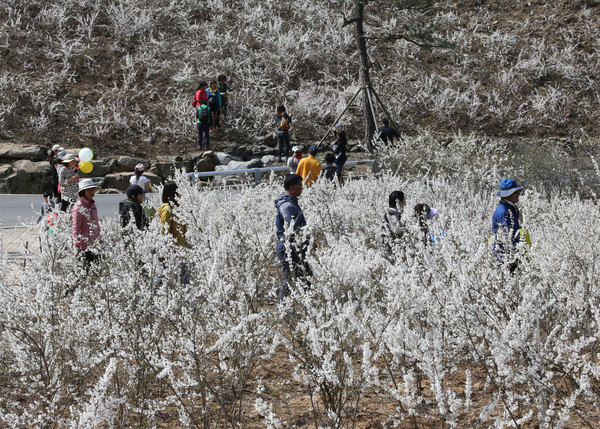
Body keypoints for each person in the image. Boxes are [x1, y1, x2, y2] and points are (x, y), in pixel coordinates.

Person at [274, 174, 312, 300]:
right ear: (291, 187)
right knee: (290, 277)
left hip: (294, 246)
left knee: (304, 274)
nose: (302, 189)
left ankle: (309, 301)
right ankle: (283, 303)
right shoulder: (288, 206)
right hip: (289, 247)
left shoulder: (290, 203)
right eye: (299, 186)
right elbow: (291, 230)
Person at [492, 178, 526, 269]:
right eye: (516, 192)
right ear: (508, 194)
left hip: (509, 255)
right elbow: (508, 237)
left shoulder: (509, 208)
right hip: (506, 257)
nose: (518, 194)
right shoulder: (504, 211)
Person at [72, 178, 101, 266]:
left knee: (97, 271)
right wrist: (76, 247)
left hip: (94, 244)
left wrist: (100, 239)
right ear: (83, 192)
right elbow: (76, 228)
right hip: (84, 247)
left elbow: (96, 224)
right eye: (89, 190)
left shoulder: (92, 205)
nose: (92, 192)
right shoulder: (78, 207)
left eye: (92, 190)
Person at [159, 181, 188, 248]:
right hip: (173, 251)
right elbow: (165, 231)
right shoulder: (167, 210)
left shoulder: (178, 209)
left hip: (180, 249)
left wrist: (185, 243)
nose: (181, 195)